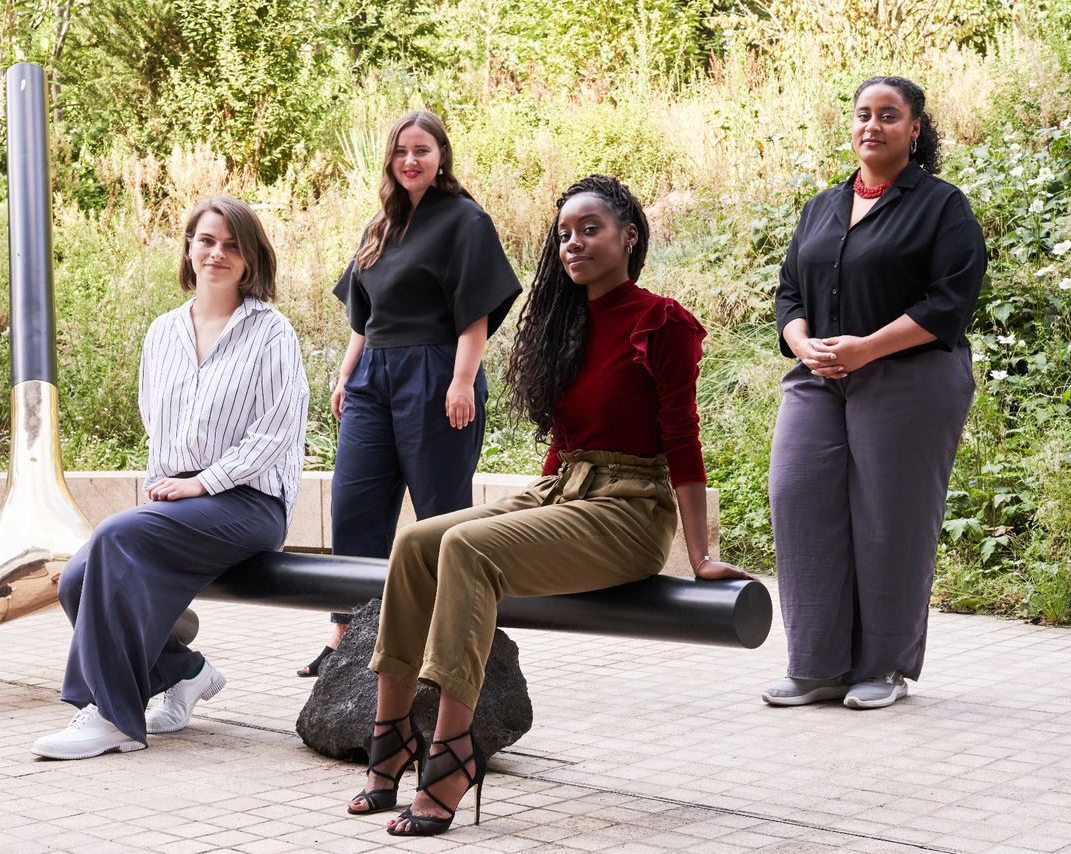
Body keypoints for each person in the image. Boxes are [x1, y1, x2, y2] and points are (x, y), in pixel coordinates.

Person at [345, 174, 753, 836]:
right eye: (563, 234)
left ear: (629, 235)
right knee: (418, 542)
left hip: (629, 508)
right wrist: (534, 513)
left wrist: (700, 554)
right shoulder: (563, 322)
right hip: (564, 489)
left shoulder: (662, 323)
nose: (573, 243)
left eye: (589, 229)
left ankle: (451, 758)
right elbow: (565, 445)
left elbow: (682, 438)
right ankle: (390, 739)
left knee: (465, 547)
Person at [31, 195, 309, 759]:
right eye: (207, 241)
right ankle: (185, 673)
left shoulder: (270, 331)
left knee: (114, 536)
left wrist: (203, 483)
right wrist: (170, 490)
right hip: (182, 500)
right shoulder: (162, 332)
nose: (217, 254)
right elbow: (155, 422)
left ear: (251, 259)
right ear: (189, 249)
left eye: (232, 245)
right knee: (76, 579)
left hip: (248, 502)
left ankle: (112, 716)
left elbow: (278, 429)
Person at [763, 76, 986, 710]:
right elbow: (789, 292)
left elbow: (950, 301)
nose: (872, 126)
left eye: (889, 116)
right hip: (820, 375)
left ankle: (881, 668)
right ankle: (816, 666)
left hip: (910, 377)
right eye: (864, 114)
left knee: (891, 519)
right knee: (798, 496)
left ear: (915, 128)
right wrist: (802, 341)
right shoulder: (822, 206)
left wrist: (866, 347)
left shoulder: (942, 206)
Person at [297, 110, 521, 677]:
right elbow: (362, 317)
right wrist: (346, 375)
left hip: (436, 372)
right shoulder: (382, 223)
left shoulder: (465, 221)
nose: (410, 160)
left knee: (441, 513)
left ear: (441, 155)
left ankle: (449, 645)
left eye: (421, 149)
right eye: (400, 150)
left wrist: (463, 380)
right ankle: (347, 634)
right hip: (373, 376)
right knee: (354, 507)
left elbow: (477, 311)